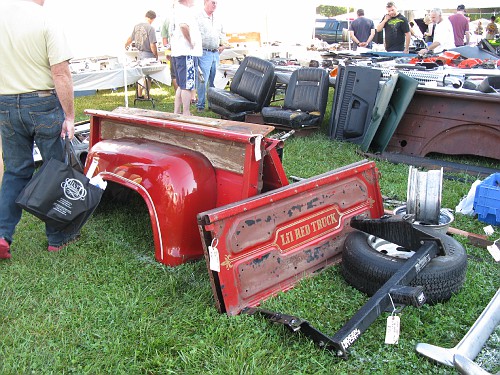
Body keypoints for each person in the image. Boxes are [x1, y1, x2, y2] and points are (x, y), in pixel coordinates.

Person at [0, 0, 76, 259]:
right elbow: (61, 74)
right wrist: (69, 115)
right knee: (53, 169)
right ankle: (57, 237)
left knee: (15, 171)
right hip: (42, 102)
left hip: (5, 102)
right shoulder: (46, 19)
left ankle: (2, 234)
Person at [171, 0, 202, 116]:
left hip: (178, 53)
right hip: (186, 52)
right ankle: (186, 113)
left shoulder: (175, 9)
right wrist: (191, 42)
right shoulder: (183, 10)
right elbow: (183, 26)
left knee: (181, 85)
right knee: (187, 86)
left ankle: (176, 112)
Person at [196, 0, 226, 112]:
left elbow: (222, 33)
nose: (215, 5)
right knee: (202, 80)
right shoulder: (198, 18)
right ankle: (200, 105)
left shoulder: (218, 18)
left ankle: (213, 104)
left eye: (216, 3)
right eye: (213, 2)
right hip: (204, 52)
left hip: (215, 53)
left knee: (215, 80)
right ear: (206, 2)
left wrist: (223, 45)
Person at [125, 10, 158, 98]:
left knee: (140, 74)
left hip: (139, 53)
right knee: (148, 76)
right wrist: (156, 54)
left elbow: (130, 38)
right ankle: (147, 95)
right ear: (152, 19)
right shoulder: (150, 28)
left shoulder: (137, 26)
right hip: (148, 54)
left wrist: (125, 45)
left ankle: (139, 94)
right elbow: (152, 44)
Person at [161, 17, 179, 91]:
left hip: (173, 51)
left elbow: (164, 39)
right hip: (184, 51)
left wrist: (168, 52)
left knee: (174, 75)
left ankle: (178, 95)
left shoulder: (167, 19)